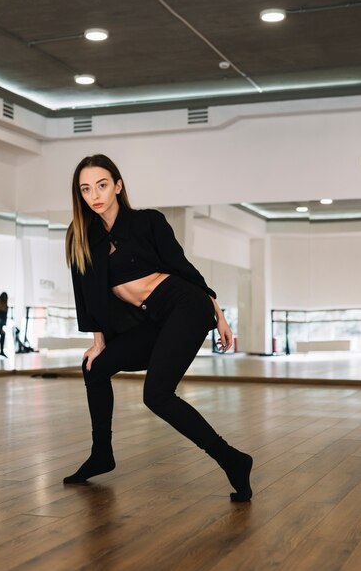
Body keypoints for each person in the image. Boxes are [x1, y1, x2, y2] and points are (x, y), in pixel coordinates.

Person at [64, 154, 253, 502]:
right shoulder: (80, 237)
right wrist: (97, 341)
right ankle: (101, 454)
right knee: (95, 366)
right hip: (152, 318)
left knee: (156, 395)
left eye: (102, 185)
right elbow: (85, 293)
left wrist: (219, 314)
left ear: (118, 186)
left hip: (185, 305)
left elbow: (183, 268)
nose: (95, 194)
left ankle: (233, 460)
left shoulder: (148, 222)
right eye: (86, 188)